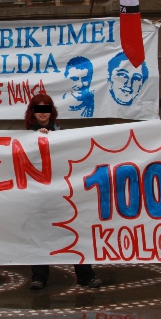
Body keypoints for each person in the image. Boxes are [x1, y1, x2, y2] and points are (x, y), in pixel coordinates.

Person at [24, 93, 102, 290]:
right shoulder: (25, 138)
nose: (42, 113)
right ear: (33, 113)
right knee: (39, 234)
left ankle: (86, 275)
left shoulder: (63, 134)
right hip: (39, 195)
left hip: (63, 193)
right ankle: (39, 276)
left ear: (51, 111)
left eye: (46, 108)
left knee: (74, 232)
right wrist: (36, 140)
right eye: (38, 109)